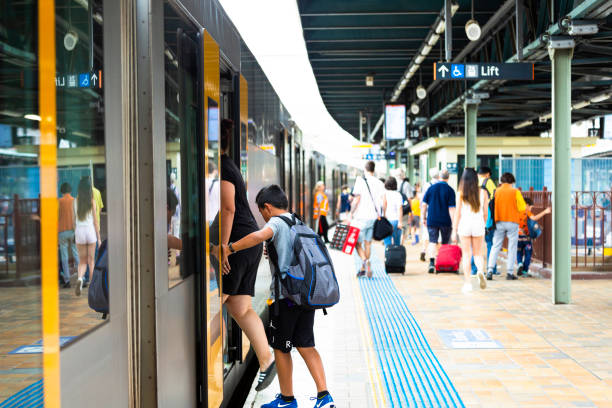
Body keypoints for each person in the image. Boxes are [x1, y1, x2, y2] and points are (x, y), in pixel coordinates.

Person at [221, 185, 334, 408]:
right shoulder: (297, 221)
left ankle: (287, 400)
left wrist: (230, 248)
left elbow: (258, 235)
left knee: (281, 348)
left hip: (286, 299)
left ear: (268, 207)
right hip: (305, 297)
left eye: (261, 212)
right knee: (306, 345)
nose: (262, 217)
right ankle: (324, 397)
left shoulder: (276, 222)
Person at [219, 119, 276, 390]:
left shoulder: (223, 169)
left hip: (238, 243)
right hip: (247, 240)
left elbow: (228, 208)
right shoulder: (227, 164)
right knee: (240, 308)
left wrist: (223, 247)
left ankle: (202, 362)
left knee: (215, 303)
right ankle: (266, 359)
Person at [453, 168, 488, 293]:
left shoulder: (460, 193)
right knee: (478, 253)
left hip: (464, 225)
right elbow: (485, 213)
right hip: (478, 223)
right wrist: (483, 224)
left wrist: (454, 229)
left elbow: (457, 213)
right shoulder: (483, 193)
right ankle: (480, 270)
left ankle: (468, 284)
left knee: (466, 254)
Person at [487, 172, 526, 280]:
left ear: (501, 181)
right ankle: (509, 273)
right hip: (512, 221)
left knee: (496, 246)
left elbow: (491, 204)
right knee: (512, 247)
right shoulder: (515, 192)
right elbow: (522, 207)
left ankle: (490, 270)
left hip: (499, 221)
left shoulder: (496, 191)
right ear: (512, 181)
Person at [349, 161, 385, 278]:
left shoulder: (360, 181)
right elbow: (384, 201)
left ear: (365, 169)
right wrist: (382, 214)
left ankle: (365, 261)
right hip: (374, 218)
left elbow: (357, 199)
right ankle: (364, 268)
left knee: (356, 243)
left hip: (361, 218)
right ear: (373, 170)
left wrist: (351, 213)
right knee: (368, 243)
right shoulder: (379, 183)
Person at [422, 170, 455, 274]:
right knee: (445, 243)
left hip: (432, 219)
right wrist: (454, 223)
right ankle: (443, 263)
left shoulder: (431, 188)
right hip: (446, 220)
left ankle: (431, 263)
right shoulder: (450, 190)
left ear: (439, 177)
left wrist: (423, 217)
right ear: (448, 178)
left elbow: (424, 205)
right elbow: (452, 209)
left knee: (432, 241)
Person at [74, 177, 100, 296]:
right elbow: (95, 221)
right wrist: (98, 238)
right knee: (91, 261)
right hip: (90, 231)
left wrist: (76, 233)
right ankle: (92, 285)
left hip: (79, 231)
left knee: (82, 261)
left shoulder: (75, 201)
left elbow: (73, 220)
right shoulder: (92, 201)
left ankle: (80, 278)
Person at [471, 166, 497, 275]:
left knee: (475, 246)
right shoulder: (489, 182)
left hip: (474, 218)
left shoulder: (472, 183)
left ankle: (474, 269)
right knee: (490, 243)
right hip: (487, 219)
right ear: (487, 174)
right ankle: (491, 269)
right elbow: (494, 198)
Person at [517, 198, 551, 277]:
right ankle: (525, 271)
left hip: (517, 237)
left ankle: (519, 264)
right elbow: (534, 218)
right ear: (527, 205)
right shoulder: (527, 212)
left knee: (519, 252)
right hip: (527, 238)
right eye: (531, 207)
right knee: (528, 254)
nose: (531, 209)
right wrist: (545, 212)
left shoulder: (517, 211)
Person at [58, 182, 79, 288]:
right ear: (70, 190)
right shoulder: (74, 200)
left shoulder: (59, 202)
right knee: (76, 254)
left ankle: (66, 280)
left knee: (64, 256)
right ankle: (82, 278)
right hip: (73, 231)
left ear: (61, 191)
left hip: (61, 231)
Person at [419, 169, 440, 261]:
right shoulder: (441, 185)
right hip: (439, 212)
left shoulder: (427, 185)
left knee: (426, 234)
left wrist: (423, 216)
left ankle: (423, 250)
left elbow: (423, 201)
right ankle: (437, 255)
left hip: (429, 212)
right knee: (437, 236)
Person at [382, 177, 403, 247]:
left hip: (387, 221)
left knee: (387, 243)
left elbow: (384, 206)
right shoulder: (398, 195)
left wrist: (384, 217)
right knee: (397, 242)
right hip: (396, 221)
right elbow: (400, 209)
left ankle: (387, 257)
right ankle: (396, 256)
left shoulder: (385, 194)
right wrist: (400, 222)